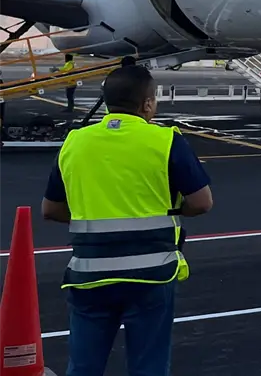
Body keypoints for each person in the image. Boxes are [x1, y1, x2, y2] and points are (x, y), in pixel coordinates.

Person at [42, 64, 214, 376]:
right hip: (151, 274)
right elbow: (202, 203)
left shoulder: (75, 141)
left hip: (89, 273)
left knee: (83, 366)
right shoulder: (165, 140)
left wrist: (91, 213)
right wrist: (171, 210)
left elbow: (50, 209)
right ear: (147, 104)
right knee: (148, 366)